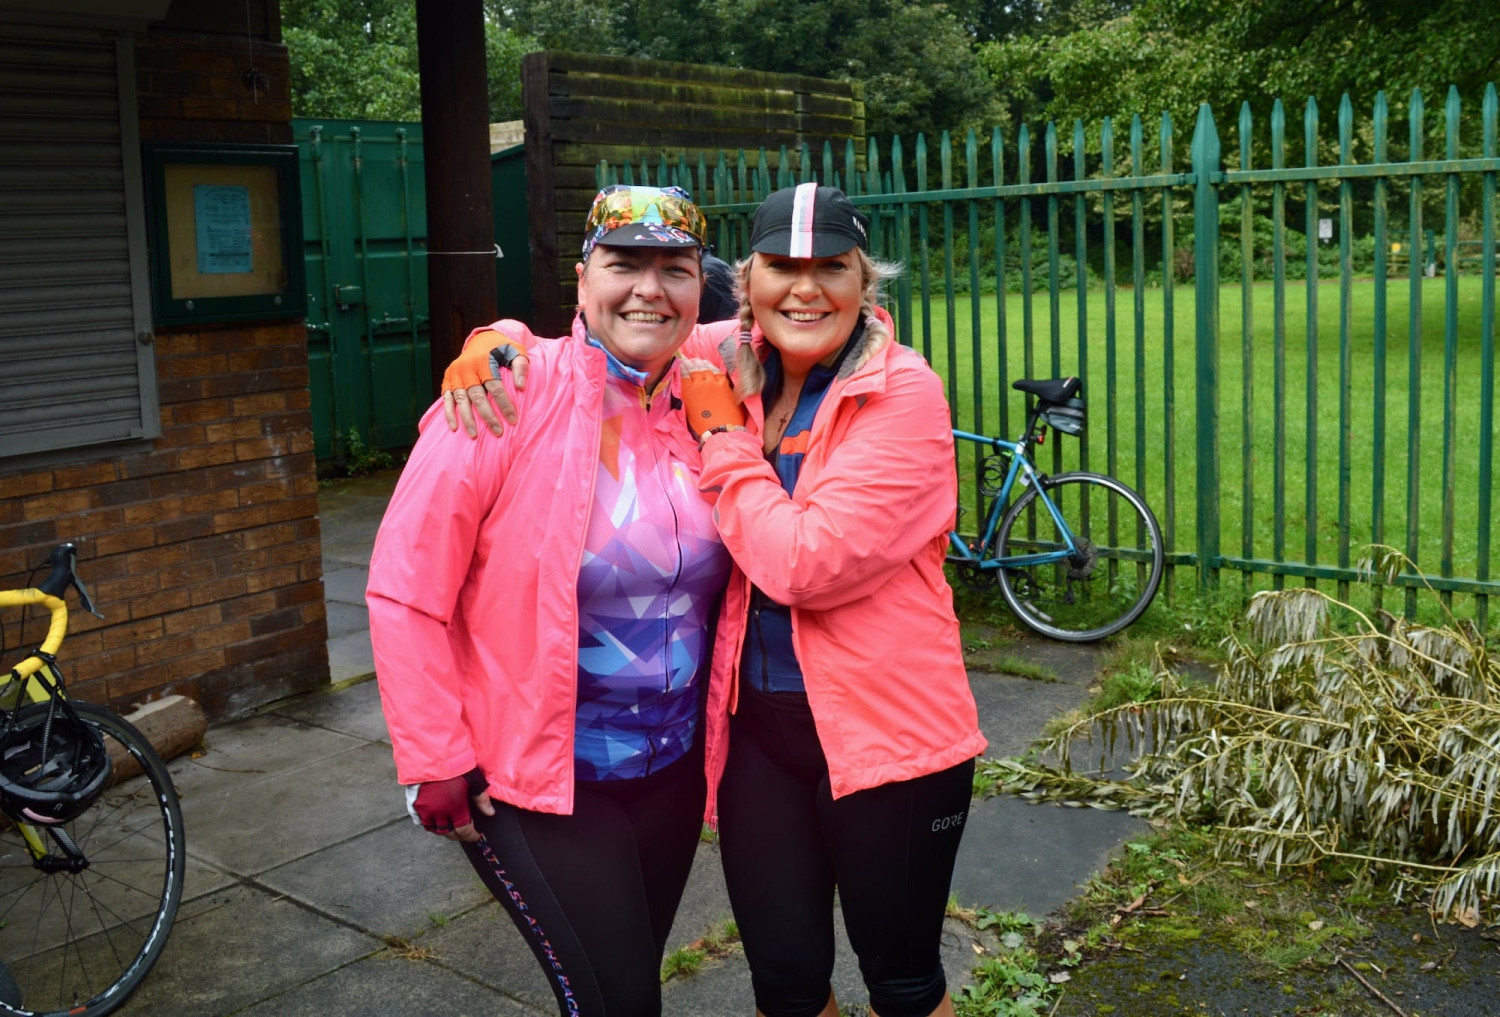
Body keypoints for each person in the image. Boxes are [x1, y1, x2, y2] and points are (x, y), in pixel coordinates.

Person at [442, 183, 986, 1017]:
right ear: (750, 281)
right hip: (759, 740)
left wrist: (723, 439)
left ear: (864, 283)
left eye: (831, 269)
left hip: (891, 736)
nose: (805, 290)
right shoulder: (728, 352)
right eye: (782, 268)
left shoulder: (904, 394)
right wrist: (498, 339)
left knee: (905, 985)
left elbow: (801, 563)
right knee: (786, 981)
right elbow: (609, 323)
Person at [367, 184, 732, 1017]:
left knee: (628, 983)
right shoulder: (500, 395)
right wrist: (434, 756)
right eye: (623, 263)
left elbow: (832, 319)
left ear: (698, 288)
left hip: (670, 775)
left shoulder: (706, 391)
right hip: (537, 780)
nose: (649, 287)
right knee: (620, 1003)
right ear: (582, 278)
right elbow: (403, 589)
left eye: (673, 268)